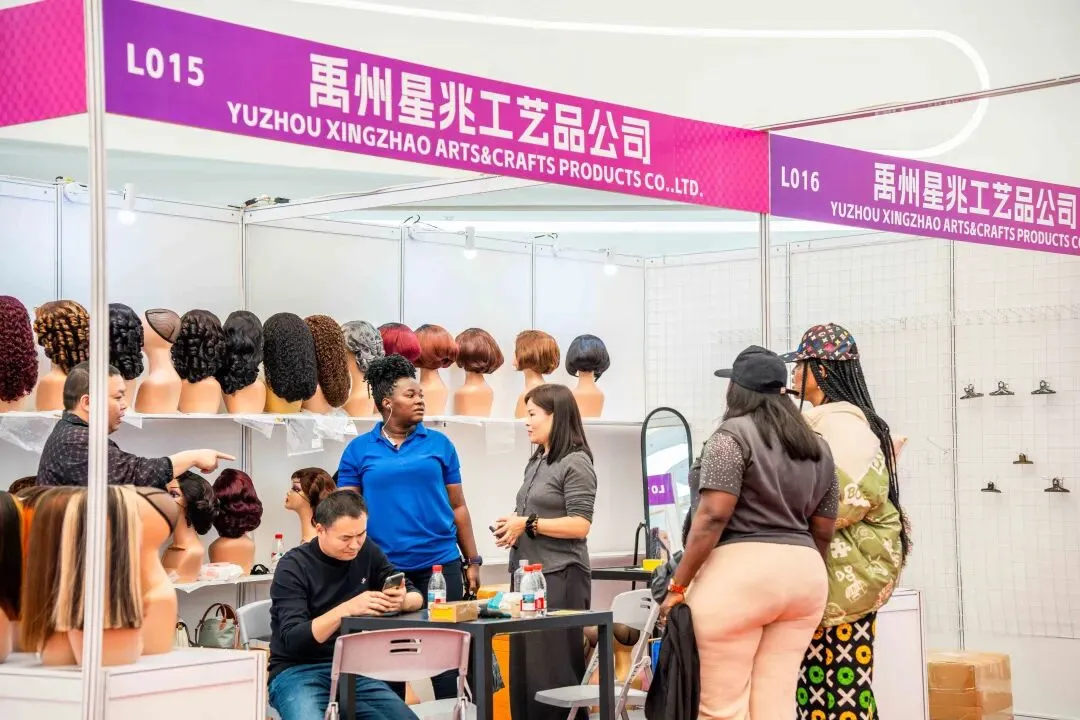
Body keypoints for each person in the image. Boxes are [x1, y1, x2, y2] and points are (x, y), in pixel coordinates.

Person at [658, 346, 839, 720]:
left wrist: (678, 585)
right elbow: (823, 529)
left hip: (741, 575)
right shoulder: (819, 447)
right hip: (805, 578)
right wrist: (804, 574)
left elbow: (712, 516)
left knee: (721, 707)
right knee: (776, 704)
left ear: (736, 389)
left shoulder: (731, 435)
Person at [335, 354, 481, 700]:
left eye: (421, 394)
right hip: (385, 569)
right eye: (411, 394)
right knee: (391, 663)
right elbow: (346, 512)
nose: (420, 400)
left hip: (440, 565)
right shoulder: (358, 451)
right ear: (387, 402)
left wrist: (472, 560)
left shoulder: (440, 445)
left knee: (447, 662)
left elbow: (458, 506)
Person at [786, 323, 909, 720]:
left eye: (800, 364)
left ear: (821, 369)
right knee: (818, 691)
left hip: (846, 585)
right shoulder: (825, 422)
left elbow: (843, 501)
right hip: (830, 582)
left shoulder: (844, 427)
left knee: (842, 692)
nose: (794, 373)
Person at [268, 490, 423, 720]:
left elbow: (415, 594)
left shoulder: (366, 551)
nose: (355, 545)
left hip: (352, 668)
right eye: (345, 538)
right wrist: (348, 609)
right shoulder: (293, 566)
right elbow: (295, 639)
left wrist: (401, 600)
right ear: (320, 529)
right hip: (296, 671)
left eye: (361, 534)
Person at [494, 383, 597, 720]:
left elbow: (580, 524)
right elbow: (531, 514)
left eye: (532, 414)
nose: (526, 421)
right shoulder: (537, 459)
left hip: (560, 577)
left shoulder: (576, 462)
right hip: (528, 579)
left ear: (556, 416)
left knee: (552, 673)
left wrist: (528, 523)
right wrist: (513, 525)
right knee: (525, 674)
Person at [36, 362, 234, 487]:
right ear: (88, 403)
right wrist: (194, 457)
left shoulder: (70, 432)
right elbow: (136, 473)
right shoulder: (77, 440)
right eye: (118, 397)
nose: (124, 405)